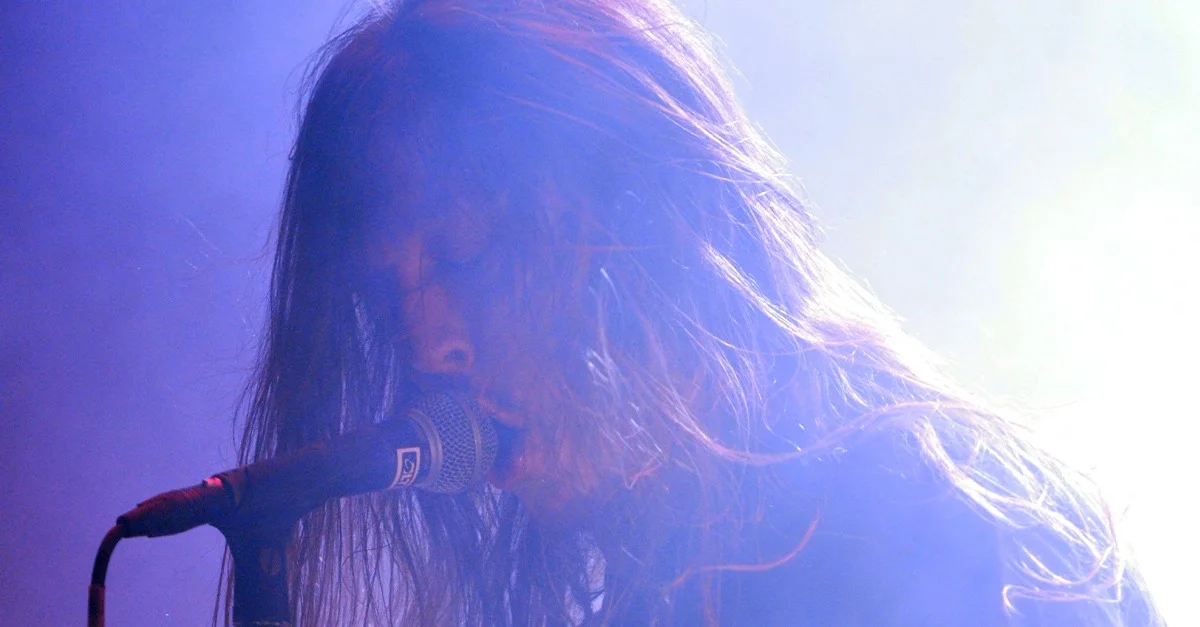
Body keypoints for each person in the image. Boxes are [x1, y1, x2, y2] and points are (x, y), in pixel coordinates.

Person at [233, 0, 1161, 624]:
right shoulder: (680, 574)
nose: (432, 342)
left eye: (468, 251)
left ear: (647, 221)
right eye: (393, 294)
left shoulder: (928, 522)